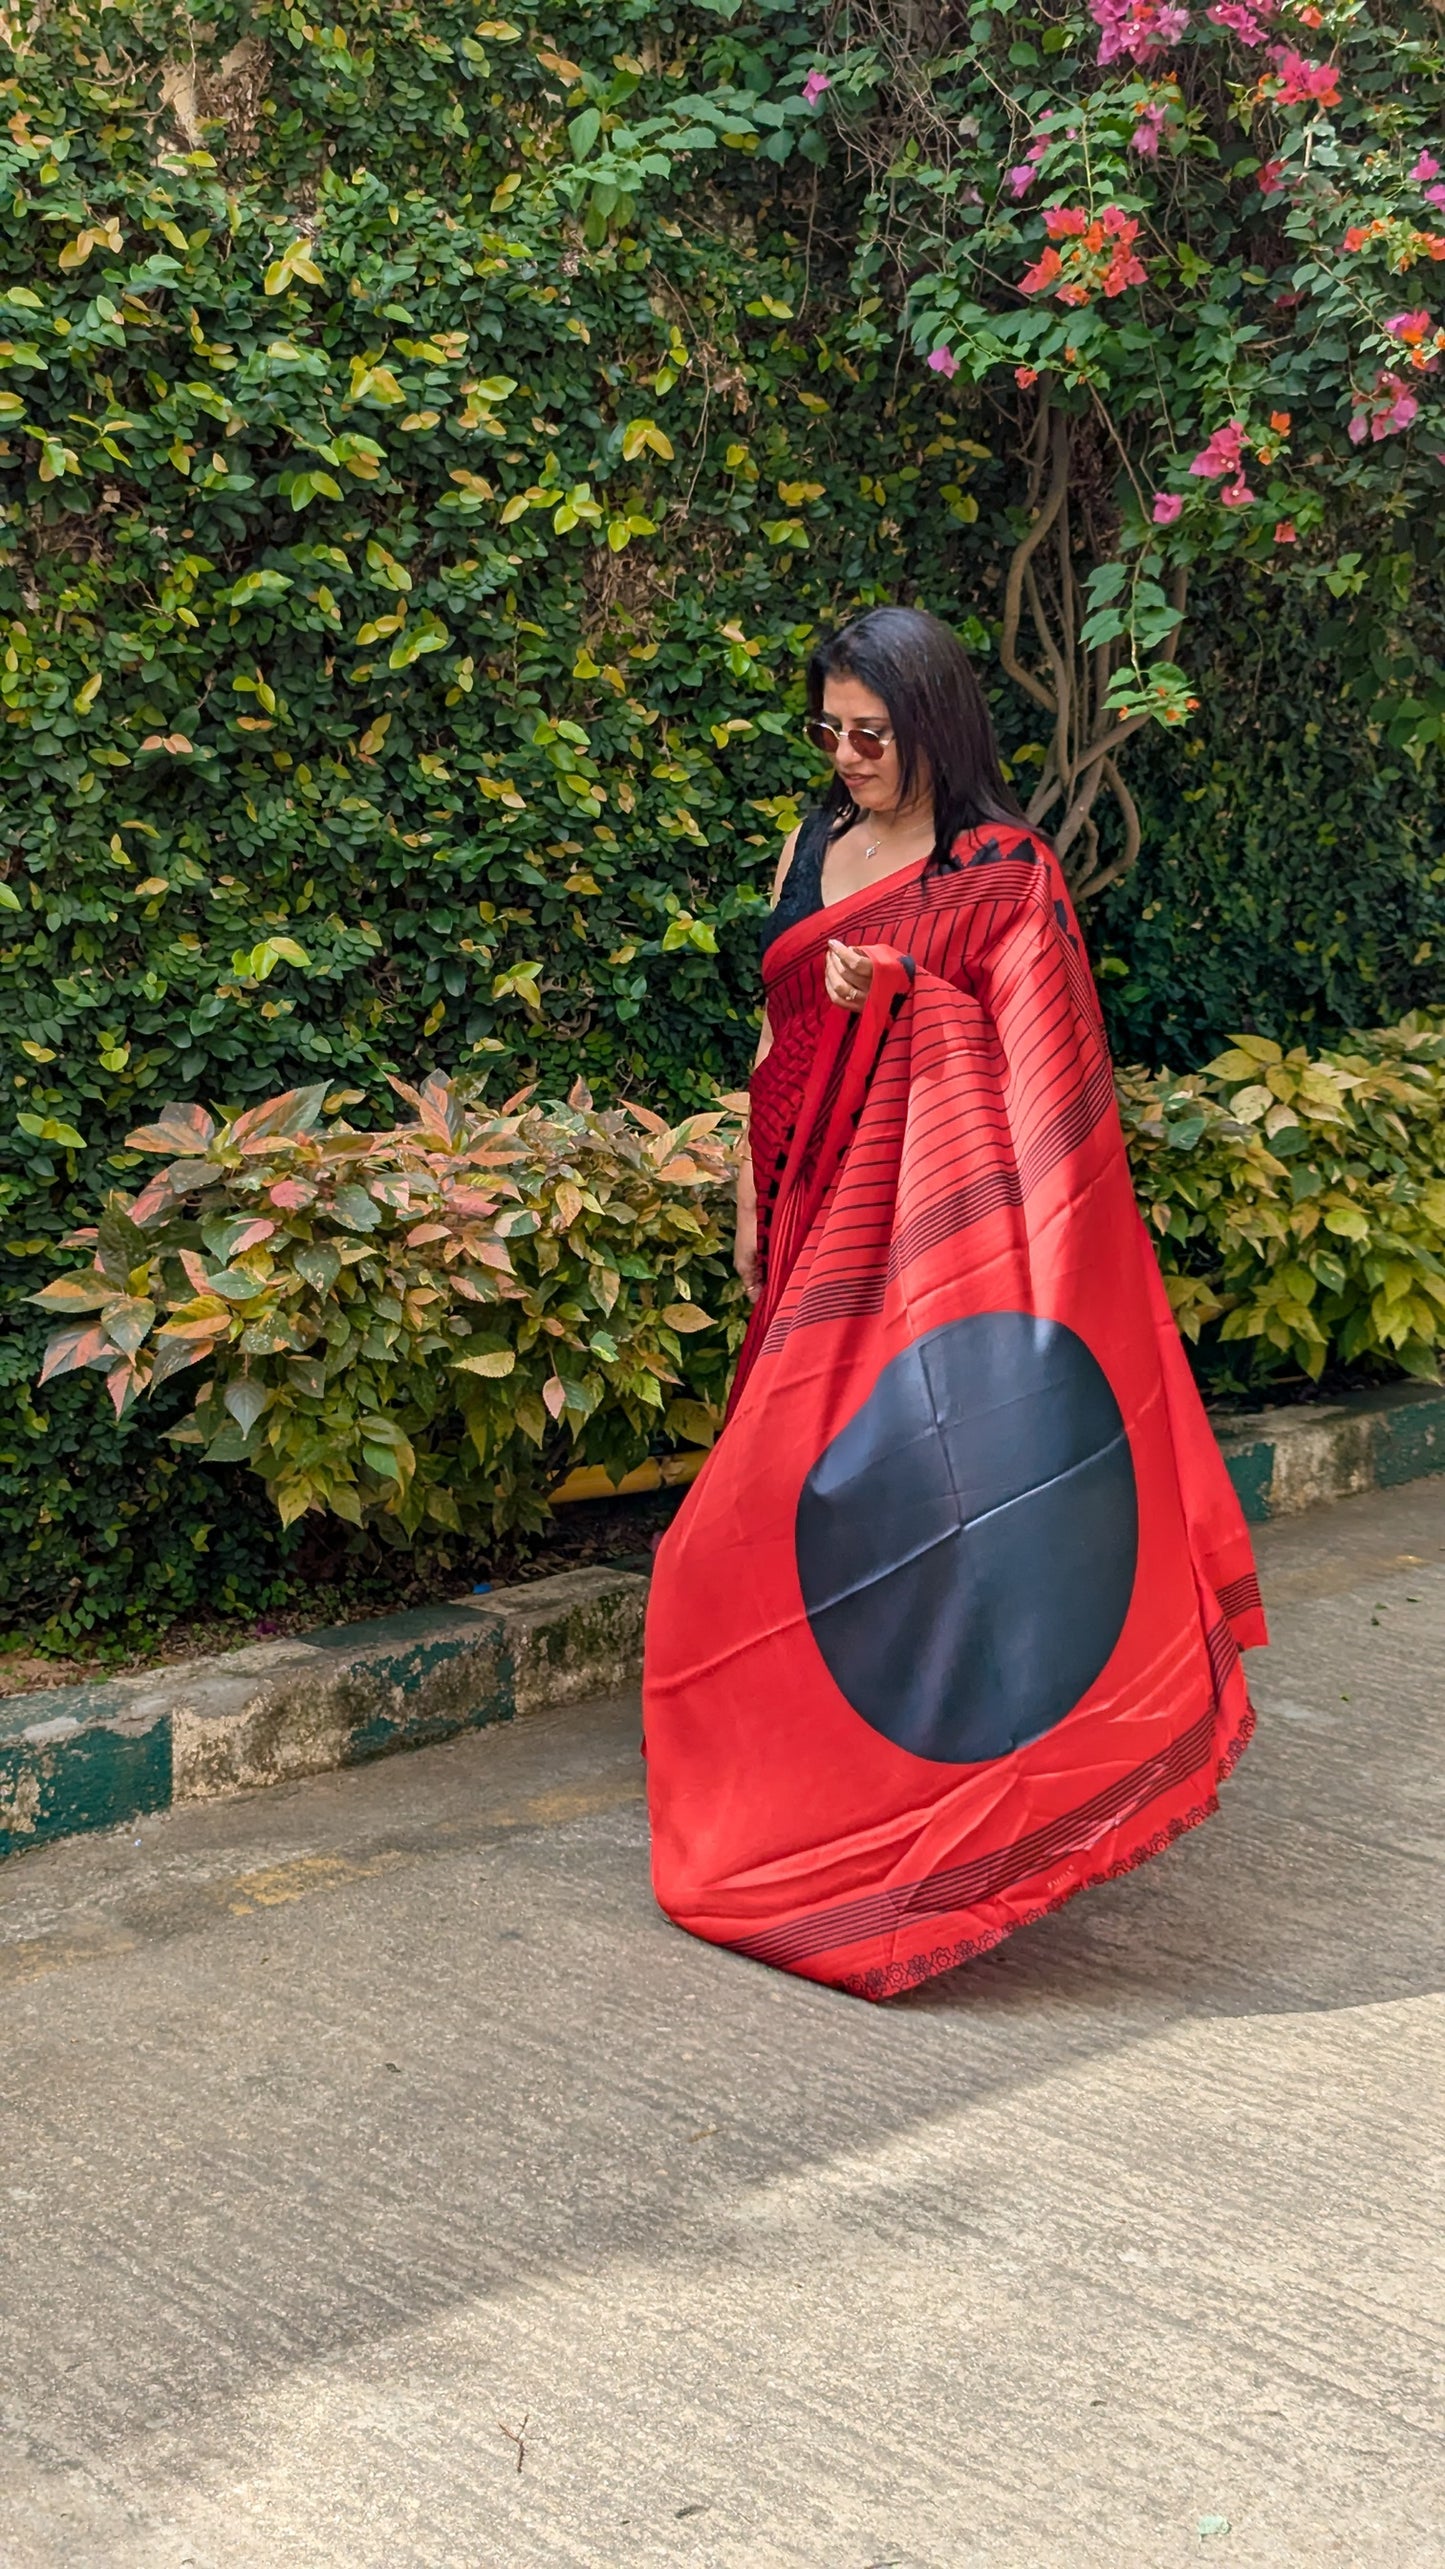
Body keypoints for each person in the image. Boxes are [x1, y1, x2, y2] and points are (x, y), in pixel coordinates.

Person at [643, 605, 1265, 2001]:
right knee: (792, 1495)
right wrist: (749, 1191)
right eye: (830, 730)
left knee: (924, 1497)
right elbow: (770, 1027)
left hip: (934, 1244)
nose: (848, 755)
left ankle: (951, 1819)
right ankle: (804, 1780)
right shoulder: (808, 845)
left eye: (872, 732)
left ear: (936, 727)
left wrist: (913, 991)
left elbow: (1035, 1067)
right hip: (806, 1199)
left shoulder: (998, 871)